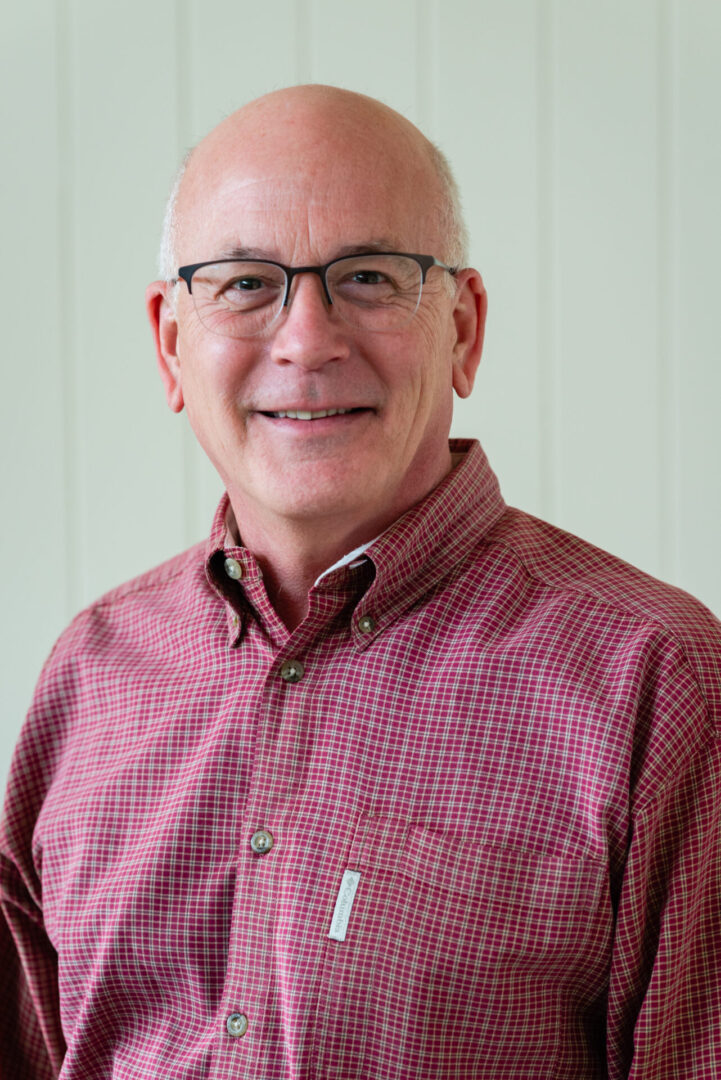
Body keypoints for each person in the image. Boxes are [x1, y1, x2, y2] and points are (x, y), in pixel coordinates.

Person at [1, 84, 720, 1080]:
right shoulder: (88, 678)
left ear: (463, 330)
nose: (307, 339)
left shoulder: (656, 681)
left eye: (371, 277)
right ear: (171, 345)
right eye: (246, 283)